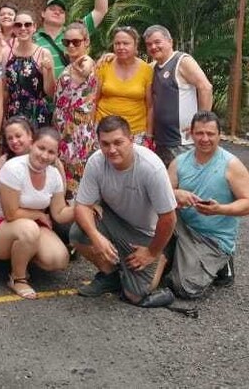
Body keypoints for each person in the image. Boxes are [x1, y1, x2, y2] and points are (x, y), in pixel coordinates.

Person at [71, 116, 178, 307]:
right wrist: (96, 237)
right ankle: (110, 275)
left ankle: (164, 255)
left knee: (135, 295)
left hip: (147, 233)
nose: (111, 150)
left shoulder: (151, 167)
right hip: (116, 221)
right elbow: (81, 206)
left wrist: (151, 252)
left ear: (131, 140)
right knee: (78, 232)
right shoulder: (96, 161)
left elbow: (169, 217)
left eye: (118, 142)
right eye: (105, 144)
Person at [0, 127, 74, 299]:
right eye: (41, 148)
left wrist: (84, 207)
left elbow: (59, 213)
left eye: (51, 152)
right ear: (32, 144)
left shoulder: (54, 175)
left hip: (27, 223)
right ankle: (17, 278)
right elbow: (11, 214)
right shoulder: (14, 168)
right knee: (29, 230)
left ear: (56, 155)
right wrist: (39, 215)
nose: (44, 155)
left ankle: (22, 255)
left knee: (58, 259)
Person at [167, 111, 249, 298]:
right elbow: (160, 195)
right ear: (191, 134)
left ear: (219, 135)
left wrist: (219, 209)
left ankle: (223, 262)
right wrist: (175, 194)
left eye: (210, 134)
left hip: (213, 238)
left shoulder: (231, 165)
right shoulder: (179, 162)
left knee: (185, 288)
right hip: (182, 227)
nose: (205, 139)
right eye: (199, 133)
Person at [144, 25, 214, 166]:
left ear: (170, 42)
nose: (153, 47)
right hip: (161, 141)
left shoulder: (182, 61)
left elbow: (206, 87)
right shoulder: (152, 67)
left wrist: (202, 122)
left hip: (183, 142)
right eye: (149, 44)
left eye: (157, 42)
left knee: (185, 177)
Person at [53, 21, 99, 199]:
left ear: (86, 42)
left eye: (76, 42)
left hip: (78, 127)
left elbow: (86, 68)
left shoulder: (85, 61)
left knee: (77, 170)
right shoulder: (70, 65)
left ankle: (77, 208)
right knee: (64, 169)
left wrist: (84, 67)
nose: (71, 46)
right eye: (67, 42)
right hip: (64, 127)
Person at [33, 0, 109, 67]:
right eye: (52, 9)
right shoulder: (32, 38)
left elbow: (100, 11)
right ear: (43, 13)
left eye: (61, 11)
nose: (57, 12)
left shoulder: (77, 31)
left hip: (73, 77)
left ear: (65, 17)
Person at [96, 26, 154, 143]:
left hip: (135, 132)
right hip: (104, 131)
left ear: (135, 45)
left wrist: (149, 134)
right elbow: (93, 100)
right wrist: (90, 129)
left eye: (126, 43)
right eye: (117, 43)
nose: (121, 47)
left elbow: (150, 106)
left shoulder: (146, 70)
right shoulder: (104, 65)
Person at [4, 11, 56, 127]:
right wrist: (3, 116)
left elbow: (50, 92)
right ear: (14, 28)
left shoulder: (43, 53)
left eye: (27, 24)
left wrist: (49, 71)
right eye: (18, 25)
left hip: (36, 113)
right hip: (13, 114)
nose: (23, 28)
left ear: (34, 27)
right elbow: (5, 90)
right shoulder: (7, 54)